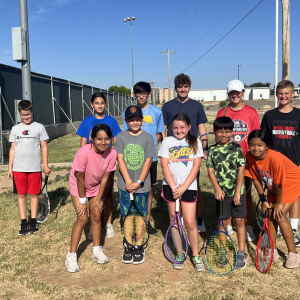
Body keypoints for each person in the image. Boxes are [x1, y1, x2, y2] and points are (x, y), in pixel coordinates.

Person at [65, 124, 117, 273]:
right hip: (79, 185)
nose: (103, 142)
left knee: (96, 215)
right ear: (92, 139)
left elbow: (105, 177)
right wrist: (82, 202)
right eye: (99, 139)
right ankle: (71, 256)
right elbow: (80, 179)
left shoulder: (112, 153)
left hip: (95, 186)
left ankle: (96, 249)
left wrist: (99, 198)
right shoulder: (83, 153)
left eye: (107, 139)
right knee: (82, 218)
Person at [246, 129, 300, 268]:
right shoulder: (249, 156)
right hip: (273, 186)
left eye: (260, 145)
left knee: (279, 215)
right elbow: (255, 178)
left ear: (267, 146)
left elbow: (279, 183)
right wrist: (264, 199)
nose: (255, 148)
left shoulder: (275, 157)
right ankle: (272, 249)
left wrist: (278, 203)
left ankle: (293, 254)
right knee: (270, 214)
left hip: (290, 183)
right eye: (252, 145)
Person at [162, 73, 208, 232]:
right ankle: (178, 216)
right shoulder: (168, 106)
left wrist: (205, 146)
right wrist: (164, 149)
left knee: (193, 184)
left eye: (185, 86)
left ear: (189, 87)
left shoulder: (196, 106)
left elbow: (201, 127)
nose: (183, 89)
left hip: (192, 151)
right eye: (180, 87)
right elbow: (164, 130)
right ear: (175, 88)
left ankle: (198, 217)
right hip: (173, 152)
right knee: (173, 182)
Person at [158, 113, 205, 271]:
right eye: (175, 127)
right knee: (174, 220)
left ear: (189, 127)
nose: (178, 130)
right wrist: (173, 187)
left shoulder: (195, 141)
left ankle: (196, 255)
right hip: (171, 187)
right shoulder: (167, 141)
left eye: (182, 127)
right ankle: (179, 252)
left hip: (188, 187)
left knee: (190, 222)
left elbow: (196, 167)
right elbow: (164, 166)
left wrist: (183, 187)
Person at [216, 79, 260, 242]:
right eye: (232, 92)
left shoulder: (252, 112)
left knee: (245, 194)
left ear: (243, 93)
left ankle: (246, 224)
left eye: (238, 92)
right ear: (228, 94)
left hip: (245, 160)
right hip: (226, 161)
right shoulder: (223, 112)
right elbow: (218, 136)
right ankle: (226, 223)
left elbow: (255, 136)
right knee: (226, 193)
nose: (235, 95)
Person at [76, 92, 121, 240]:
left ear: (105, 104)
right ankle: (92, 225)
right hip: (90, 165)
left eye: (102, 103)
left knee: (106, 195)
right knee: (90, 195)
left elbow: (115, 142)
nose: (100, 105)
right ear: (91, 105)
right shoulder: (87, 121)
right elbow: (83, 144)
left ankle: (108, 224)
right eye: (97, 103)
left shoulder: (112, 121)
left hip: (106, 163)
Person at [261, 80, 300, 245]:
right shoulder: (269, 116)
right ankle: (274, 230)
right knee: (276, 195)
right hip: (275, 165)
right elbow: (264, 141)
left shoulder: (298, 115)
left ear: (293, 94)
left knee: (295, 196)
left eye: (287, 93)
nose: (283, 96)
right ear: (276, 95)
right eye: (280, 93)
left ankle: (294, 228)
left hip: (294, 164)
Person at [123, 82, 165, 235]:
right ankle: (132, 219)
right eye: (138, 93)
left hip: (150, 158)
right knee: (131, 188)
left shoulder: (156, 112)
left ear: (149, 94)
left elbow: (161, 133)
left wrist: (155, 148)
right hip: (133, 157)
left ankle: (146, 221)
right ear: (134, 94)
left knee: (147, 190)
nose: (141, 95)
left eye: (144, 93)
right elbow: (125, 134)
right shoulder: (127, 112)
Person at [116, 105, 156, 265]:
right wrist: (127, 181)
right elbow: (120, 159)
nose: (135, 122)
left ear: (142, 120)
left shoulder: (147, 137)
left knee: (139, 215)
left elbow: (148, 161)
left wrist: (139, 182)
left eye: (138, 119)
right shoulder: (120, 137)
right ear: (126, 121)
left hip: (142, 185)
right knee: (126, 215)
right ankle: (128, 244)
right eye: (131, 120)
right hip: (124, 185)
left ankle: (138, 245)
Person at [207, 116, 247, 269]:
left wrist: (237, 192)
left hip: (238, 192)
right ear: (215, 132)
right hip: (222, 194)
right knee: (223, 222)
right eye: (220, 131)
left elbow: (241, 169)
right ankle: (222, 251)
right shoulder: (212, 150)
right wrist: (217, 188)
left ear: (232, 132)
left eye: (227, 131)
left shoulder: (236, 148)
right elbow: (210, 171)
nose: (223, 134)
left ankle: (241, 252)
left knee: (239, 222)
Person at [8, 100, 51, 236]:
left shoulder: (39, 127)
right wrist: (10, 168)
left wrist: (45, 165)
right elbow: (12, 149)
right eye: (23, 115)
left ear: (32, 112)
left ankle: (33, 221)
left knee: (34, 194)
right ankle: (23, 222)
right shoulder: (15, 129)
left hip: (34, 168)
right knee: (21, 195)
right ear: (19, 114)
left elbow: (44, 147)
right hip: (18, 169)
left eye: (28, 114)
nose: (26, 117)